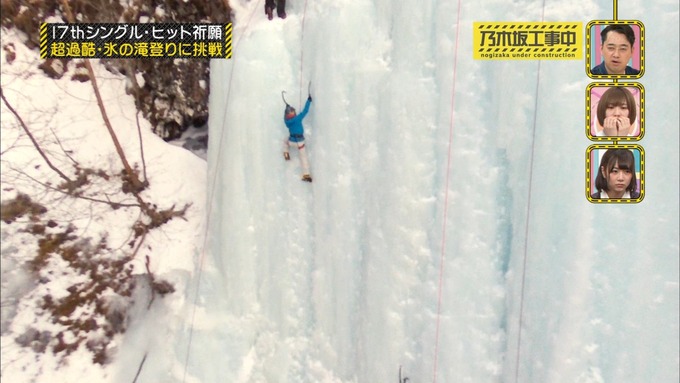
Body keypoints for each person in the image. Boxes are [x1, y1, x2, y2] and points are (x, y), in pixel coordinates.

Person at [283, 94, 313, 182]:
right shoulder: (297, 118)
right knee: (303, 157)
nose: (294, 112)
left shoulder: (287, 122)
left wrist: (286, 108)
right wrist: (309, 100)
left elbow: (284, 117)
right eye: (292, 111)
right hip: (300, 142)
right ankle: (306, 174)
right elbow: (305, 111)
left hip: (291, 141)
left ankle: (286, 153)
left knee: (285, 141)